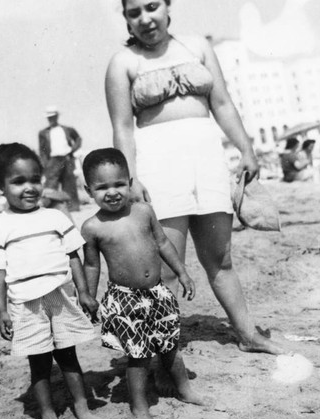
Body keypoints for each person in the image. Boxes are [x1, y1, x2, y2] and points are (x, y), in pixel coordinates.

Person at [104, 0, 282, 356]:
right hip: (157, 162)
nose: (145, 18)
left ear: (168, 6)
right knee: (168, 265)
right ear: (125, 19)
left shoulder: (197, 46)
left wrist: (246, 149)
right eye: (134, 12)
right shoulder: (122, 63)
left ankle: (248, 335)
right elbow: (122, 127)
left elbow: (223, 104)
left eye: (152, 6)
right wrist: (131, 177)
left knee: (220, 257)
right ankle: (162, 353)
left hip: (206, 157)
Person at [0, 143, 101, 419]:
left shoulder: (55, 218)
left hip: (59, 296)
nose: (29, 187)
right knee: (40, 362)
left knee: (68, 355)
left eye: (35, 179)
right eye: (18, 182)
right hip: (26, 303)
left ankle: (82, 407)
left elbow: (74, 257)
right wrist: (2, 311)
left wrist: (84, 292)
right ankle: (48, 415)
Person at [81, 148, 207, 419]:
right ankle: (139, 408)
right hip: (125, 299)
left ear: (130, 182)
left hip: (158, 292)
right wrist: (87, 294)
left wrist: (182, 272)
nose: (112, 192)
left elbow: (163, 243)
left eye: (119, 184)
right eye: (102, 187)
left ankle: (184, 390)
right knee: (139, 357)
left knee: (171, 346)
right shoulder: (93, 227)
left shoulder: (144, 211)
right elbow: (92, 265)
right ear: (88, 190)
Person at [39, 106, 81, 211]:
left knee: (69, 183)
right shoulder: (43, 133)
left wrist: (72, 150)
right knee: (51, 185)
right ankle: (51, 208)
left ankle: (73, 207)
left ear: (57, 116)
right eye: (49, 117)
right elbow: (42, 150)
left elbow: (78, 139)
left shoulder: (67, 129)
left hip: (67, 158)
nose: (51, 119)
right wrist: (45, 164)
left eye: (53, 117)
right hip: (53, 160)